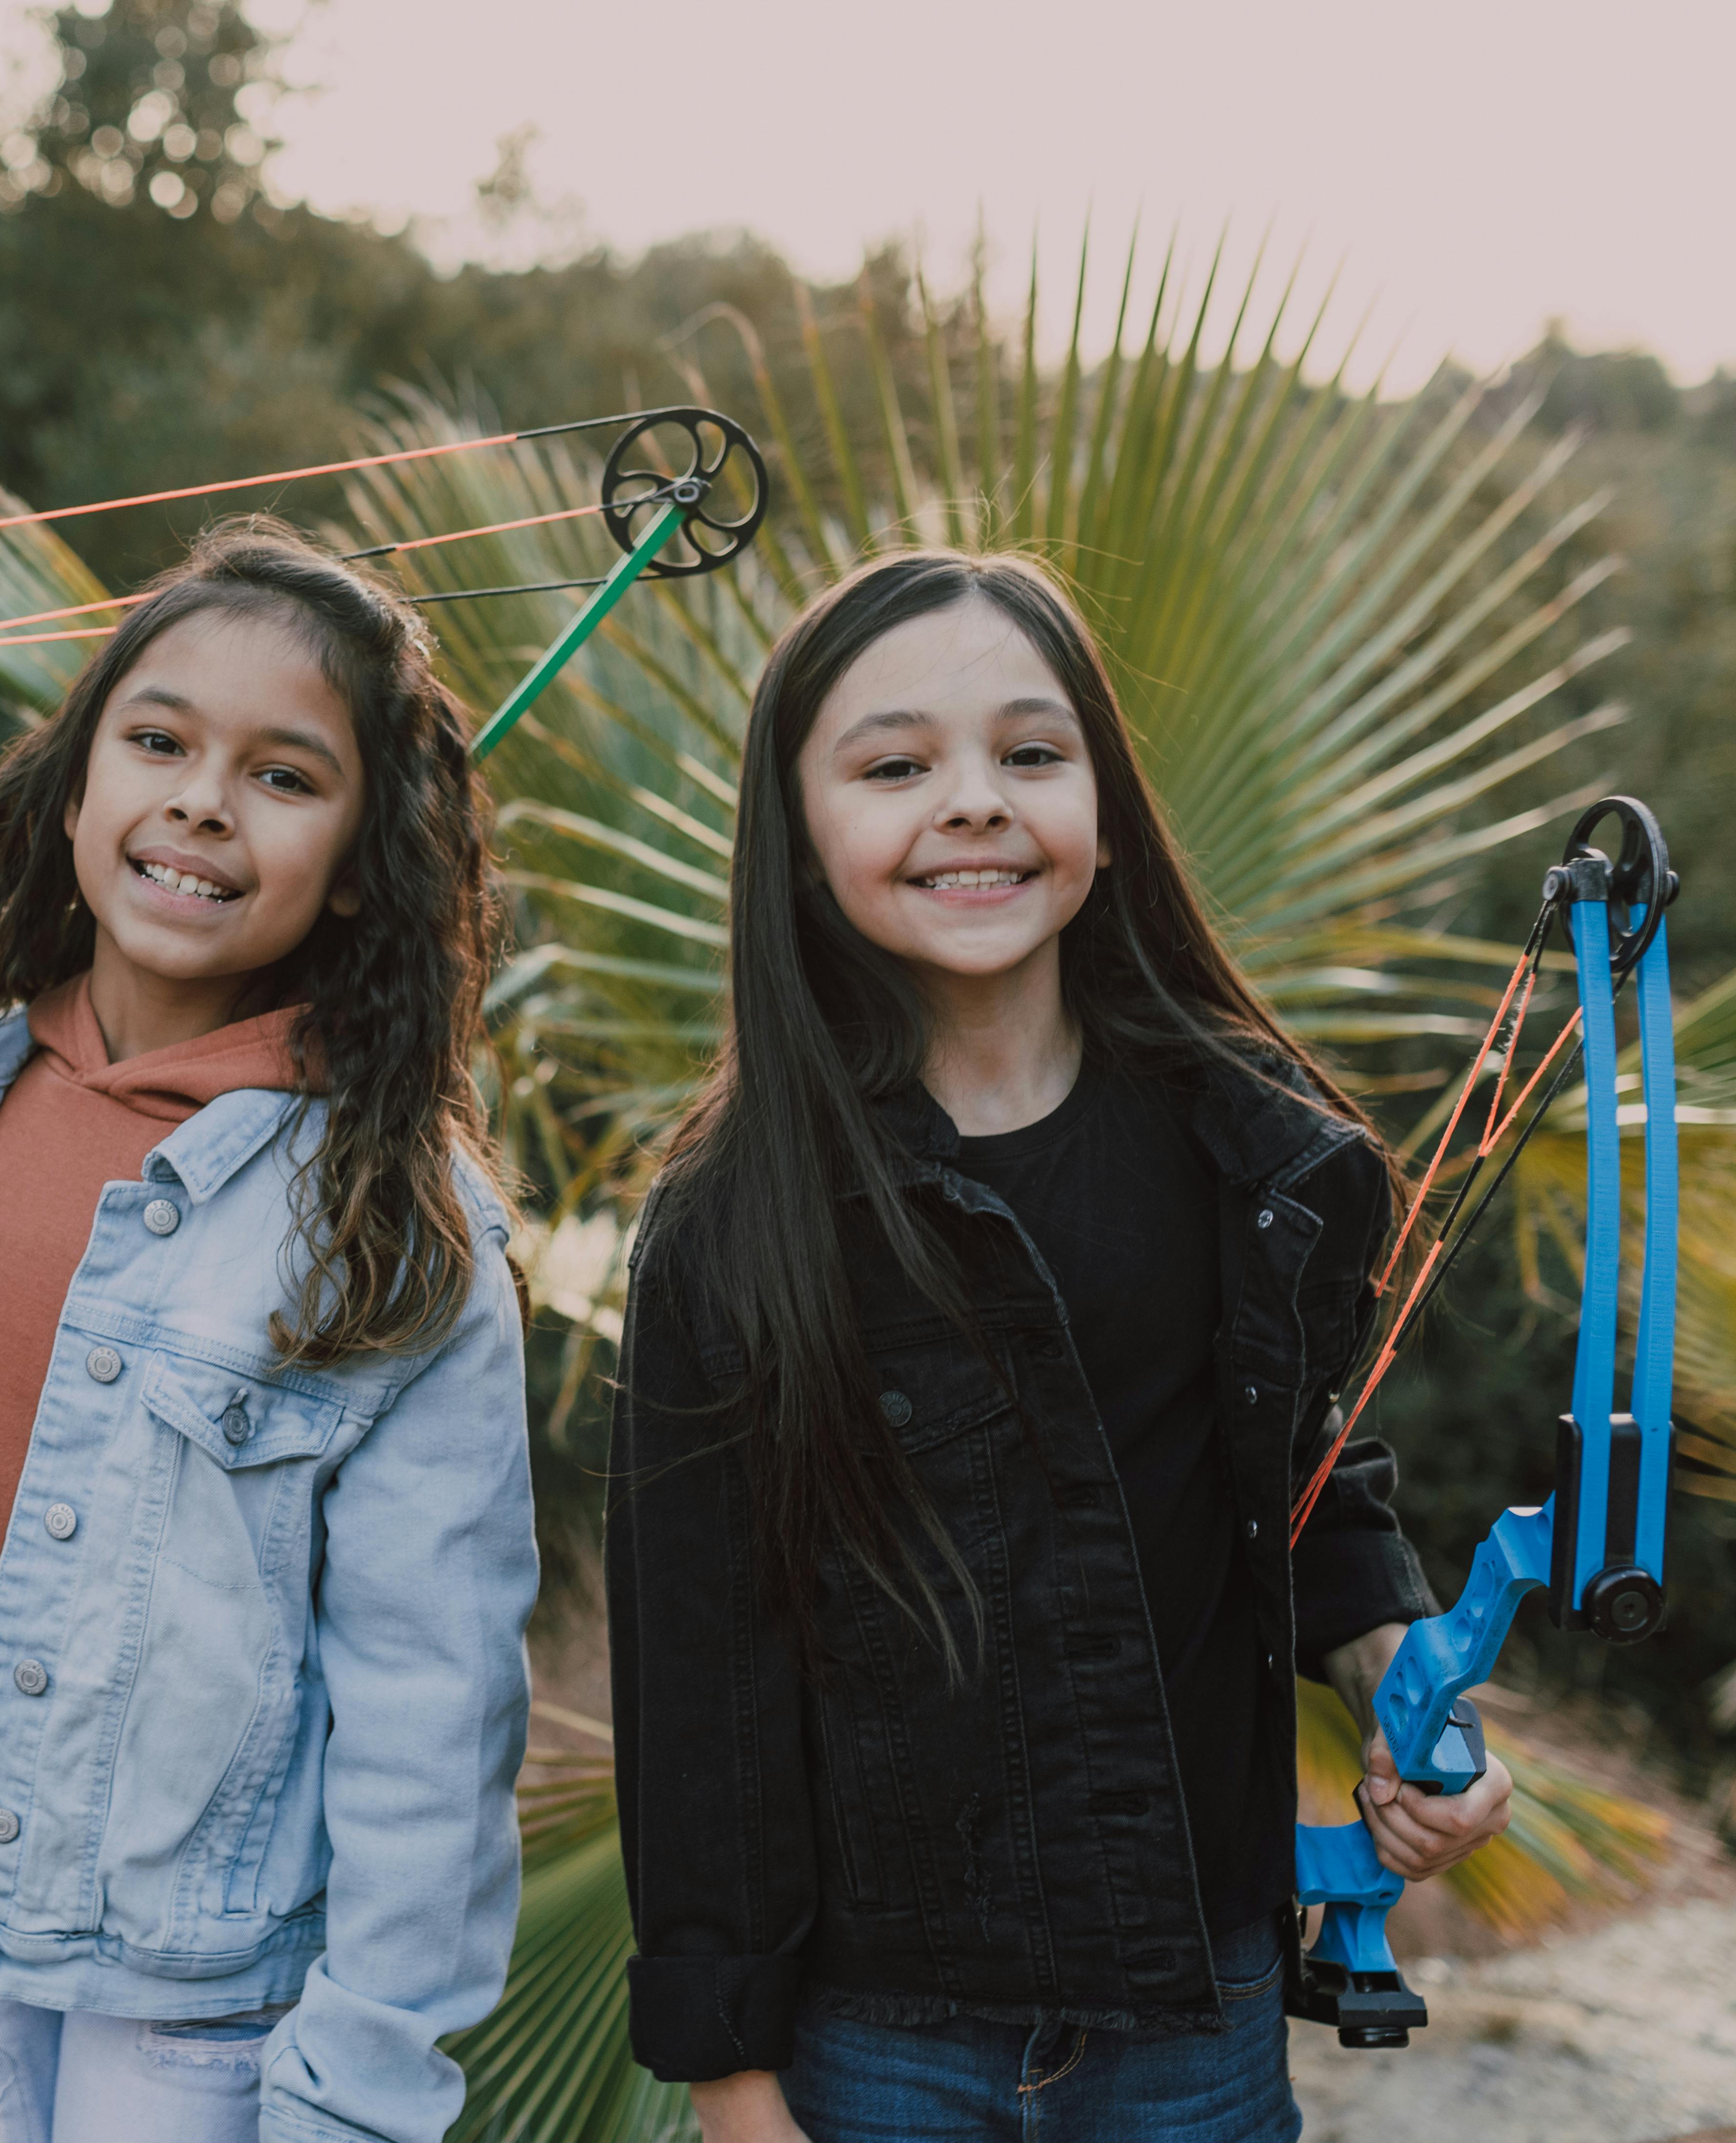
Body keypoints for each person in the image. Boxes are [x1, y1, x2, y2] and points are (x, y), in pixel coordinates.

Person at [0, 520, 537, 2143]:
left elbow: (434, 1699)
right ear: (73, 789)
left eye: (284, 776)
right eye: (159, 741)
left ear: (361, 858)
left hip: (193, 1955)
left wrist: (361, 2076)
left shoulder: (394, 1223)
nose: (201, 800)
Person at [605, 550, 1513, 2143]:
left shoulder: (1252, 1160)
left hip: (1199, 2014)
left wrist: (1411, 1694)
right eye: (895, 766)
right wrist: (735, 2086)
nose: (972, 803)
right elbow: (701, 1684)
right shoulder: (729, 1225)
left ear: (1103, 807)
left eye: (1029, 754)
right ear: (802, 841)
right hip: (878, 2038)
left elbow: (1307, 1486)